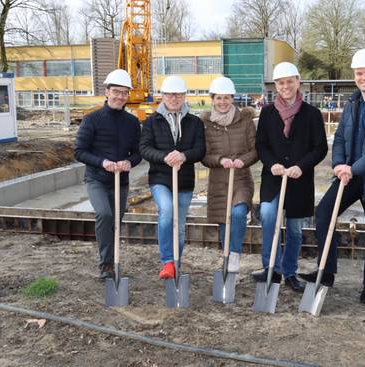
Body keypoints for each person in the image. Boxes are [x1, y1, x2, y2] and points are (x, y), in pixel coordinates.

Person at [299, 49, 365, 303]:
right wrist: (338, 164)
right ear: (354, 76)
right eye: (359, 73)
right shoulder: (353, 103)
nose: (364, 77)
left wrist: (353, 168)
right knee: (324, 213)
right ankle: (327, 272)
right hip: (349, 175)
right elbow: (341, 138)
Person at [254, 62, 328, 292]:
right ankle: (272, 269)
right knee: (268, 216)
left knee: (295, 229)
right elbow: (261, 145)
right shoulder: (267, 113)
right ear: (275, 85)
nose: (285, 86)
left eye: (289, 81)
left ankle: (289, 271)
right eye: (280, 83)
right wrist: (272, 163)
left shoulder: (312, 114)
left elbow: (320, 148)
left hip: (300, 180)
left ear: (297, 82)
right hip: (273, 178)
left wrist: (301, 166)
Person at [74, 69, 142, 280]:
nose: (120, 96)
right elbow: (79, 151)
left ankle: (113, 262)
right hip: (97, 179)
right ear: (107, 92)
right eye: (116, 91)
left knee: (116, 223)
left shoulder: (132, 123)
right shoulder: (92, 119)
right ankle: (105, 265)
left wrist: (129, 162)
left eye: (124, 92)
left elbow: (139, 152)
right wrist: (103, 162)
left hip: (120, 182)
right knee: (104, 214)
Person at [139, 75, 205, 279]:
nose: (174, 98)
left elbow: (201, 149)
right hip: (160, 178)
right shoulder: (151, 121)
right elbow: (144, 148)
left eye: (178, 94)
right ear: (163, 96)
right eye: (169, 94)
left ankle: (176, 262)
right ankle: (167, 260)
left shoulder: (194, 122)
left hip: (184, 181)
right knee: (167, 210)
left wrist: (184, 155)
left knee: (180, 225)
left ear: (184, 96)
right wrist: (164, 156)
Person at [200, 77, 258, 272]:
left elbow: (256, 150)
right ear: (212, 99)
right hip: (218, 181)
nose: (223, 102)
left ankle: (234, 254)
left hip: (241, 178)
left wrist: (244, 160)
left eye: (226, 98)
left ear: (232, 98)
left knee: (238, 213)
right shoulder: (206, 124)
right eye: (218, 98)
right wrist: (219, 160)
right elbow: (204, 155)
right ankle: (227, 259)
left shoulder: (246, 121)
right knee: (224, 221)